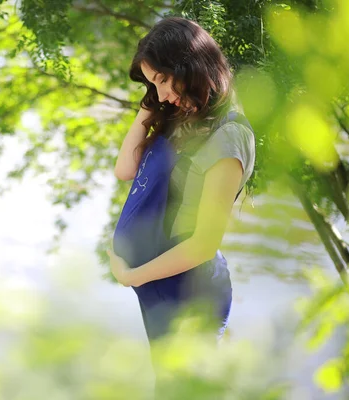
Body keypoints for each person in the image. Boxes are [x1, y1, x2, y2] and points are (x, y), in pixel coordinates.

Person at [106, 17, 256, 345]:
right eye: (152, 84)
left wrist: (131, 276)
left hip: (190, 295)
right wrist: (148, 109)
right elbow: (126, 169)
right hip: (159, 285)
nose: (161, 94)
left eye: (162, 79)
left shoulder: (228, 136)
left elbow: (203, 244)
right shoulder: (186, 113)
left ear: (191, 66)